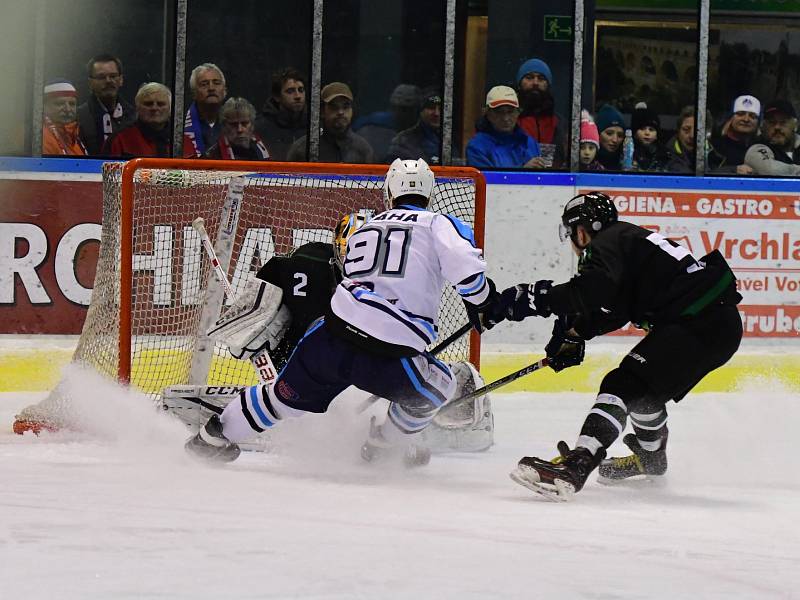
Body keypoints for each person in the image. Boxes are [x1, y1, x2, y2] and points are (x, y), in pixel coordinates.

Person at [185, 158, 505, 464]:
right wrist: (484, 303)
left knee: (281, 398)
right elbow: (468, 274)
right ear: (429, 193)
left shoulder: (367, 227)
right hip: (388, 349)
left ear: (389, 192)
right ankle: (381, 446)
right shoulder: (440, 223)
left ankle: (211, 438)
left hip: (329, 335)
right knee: (437, 389)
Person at [497, 192, 742, 500]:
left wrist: (535, 298)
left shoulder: (606, 242)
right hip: (717, 323)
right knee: (644, 394)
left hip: (699, 321)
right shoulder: (625, 240)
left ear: (581, 231)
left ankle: (578, 464)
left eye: (572, 233)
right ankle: (651, 459)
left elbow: (592, 291)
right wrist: (576, 333)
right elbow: (616, 307)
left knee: (622, 383)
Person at [287, 82, 374, 163]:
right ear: (322, 111)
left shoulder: (363, 150)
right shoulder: (302, 149)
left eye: (346, 106)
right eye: (334, 107)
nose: (340, 112)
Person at [465, 86, 542, 169]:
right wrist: (523, 172)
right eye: (499, 112)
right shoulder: (477, 147)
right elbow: (486, 180)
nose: (505, 118)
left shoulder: (529, 142)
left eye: (510, 111)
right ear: (488, 114)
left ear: (518, 113)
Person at [77, 54, 136, 155]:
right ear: (90, 83)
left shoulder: (134, 117)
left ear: (121, 80)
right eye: (101, 77)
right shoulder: (78, 118)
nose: (108, 81)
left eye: (113, 76)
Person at [516, 58, 566, 165]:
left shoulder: (559, 123)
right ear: (519, 84)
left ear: (548, 85)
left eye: (541, 78)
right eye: (529, 78)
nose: (535, 83)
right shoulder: (509, 120)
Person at [354, 84, 422, 162]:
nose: (401, 113)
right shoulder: (373, 124)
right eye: (398, 108)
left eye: (407, 109)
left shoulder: (422, 132)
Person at [104, 82, 172, 157]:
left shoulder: (182, 142)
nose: (154, 108)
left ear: (170, 108)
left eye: (160, 104)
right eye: (148, 104)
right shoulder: (119, 140)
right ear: (137, 108)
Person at [254, 67, 307, 161]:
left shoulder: (313, 127)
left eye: (301, 90)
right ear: (277, 97)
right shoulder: (260, 128)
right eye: (290, 91)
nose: (298, 96)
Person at [744, 99, 800, 176]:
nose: (777, 127)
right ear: (763, 126)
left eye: (783, 122)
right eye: (772, 122)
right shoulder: (755, 148)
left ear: (795, 125)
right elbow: (770, 170)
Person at [204, 97, 270, 160]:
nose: (239, 129)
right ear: (224, 126)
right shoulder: (212, 157)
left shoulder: (265, 149)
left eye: (244, 123)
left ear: (252, 125)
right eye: (233, 125)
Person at [183, 63, 227, 157]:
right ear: (194, 93)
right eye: (204, 84)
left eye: (216, 83)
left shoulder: (236, 123)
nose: (211, 88)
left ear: (225, 90)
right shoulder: (179, 124)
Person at [386, 92, 442, 164]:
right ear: (420, 111)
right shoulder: (403, 141)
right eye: (431, 108)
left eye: (441, 109)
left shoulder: (455, 139)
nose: (436, 113)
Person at [710, 94, 760, 174]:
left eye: (752, 116)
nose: (746, 119)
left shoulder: (762, 147)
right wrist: (733, 170)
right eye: (740, 114)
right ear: (731, 117)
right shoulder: (714, 146)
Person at [41, 79, 87, 156]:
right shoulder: (41, 138)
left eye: (72, 104)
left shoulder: (74, 136)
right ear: (45, 106)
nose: (68, 109)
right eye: (60, 103)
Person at [630, 102, 668, 172]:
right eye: (642, 129)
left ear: (657, 135)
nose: (647, 133)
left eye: (651, 129)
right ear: (634, 133)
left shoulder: (664, 154)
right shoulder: (629, 152)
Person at [594, 104, 625, 171]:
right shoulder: (587, 163)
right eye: (609, 133)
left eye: (620, 135)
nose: (615, 140)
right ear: (598, 133)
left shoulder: (627, 164)